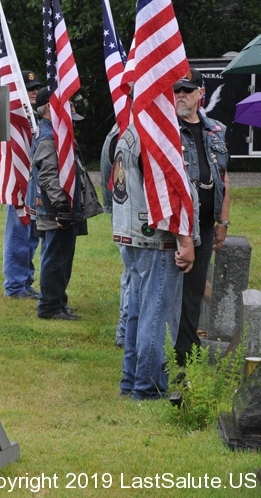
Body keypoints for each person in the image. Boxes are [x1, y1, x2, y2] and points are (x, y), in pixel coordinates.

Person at [112, 125, 196, 400]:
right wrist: (184, 240)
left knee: (138, 312)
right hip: (156, 238)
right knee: (156, 314)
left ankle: (131, 381)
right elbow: (165, 193)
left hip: (134, 234)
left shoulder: (131, 130)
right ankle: (149, 387)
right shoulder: (154, 130)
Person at [173, 67, 231, 366]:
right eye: (176, 90)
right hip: (176, 225)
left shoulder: (216, 130)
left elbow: (223, 177)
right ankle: (172, 351)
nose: (180, 95)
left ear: (200, 93)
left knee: (195, 290)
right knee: (172, 291)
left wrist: (223, 221)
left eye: (187, 90)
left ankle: (186, 351)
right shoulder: (167, 130)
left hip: (206, 223)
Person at [28, 87, 83, 320]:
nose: (69, 108)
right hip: (56, 210)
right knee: (56, 258)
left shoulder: (52, 132)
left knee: (62, 257)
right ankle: (49, 306)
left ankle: (58, 301)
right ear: (51, 108)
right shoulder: (49, 137)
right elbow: (49, 176)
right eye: (65, 103)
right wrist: (62, 207)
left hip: (58, 208)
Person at [2, 70, 43, 299]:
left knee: (31, 236)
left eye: (36, 88)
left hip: (32, 184)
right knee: (18, 235)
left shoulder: (32, 116)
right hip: (19, 183)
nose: (35, 91)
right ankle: (15, 285)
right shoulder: (15, 116)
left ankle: (25, 281)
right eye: (30, 89)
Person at [100, 123, 128, 348]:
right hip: (130, 215)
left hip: (123, 213)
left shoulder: (118, 130)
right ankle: (125, 332)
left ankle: (126, 332)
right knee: (133, 274)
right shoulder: (123, 134)